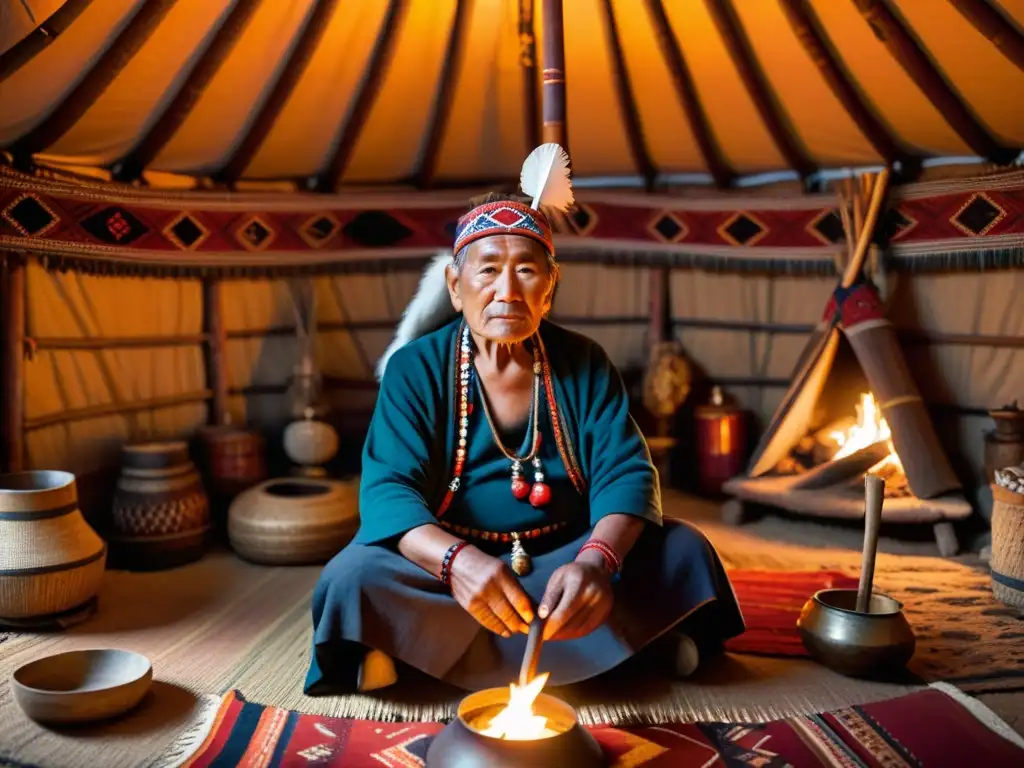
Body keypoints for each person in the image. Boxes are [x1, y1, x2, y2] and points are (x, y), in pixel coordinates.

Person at [304, 145, 745, 695]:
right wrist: (456, 563)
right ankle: (628, 649)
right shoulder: (415, 369)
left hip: (566, 557)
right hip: (449, 573)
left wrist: (594, 563)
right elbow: (388, 491)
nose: (507, 292)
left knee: (682, 549)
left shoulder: (584, 361)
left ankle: (420, 656)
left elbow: (626, 475)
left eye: (526, 271)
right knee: (353, 575)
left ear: (550, 286)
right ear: (454, 286)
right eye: (488, 269)